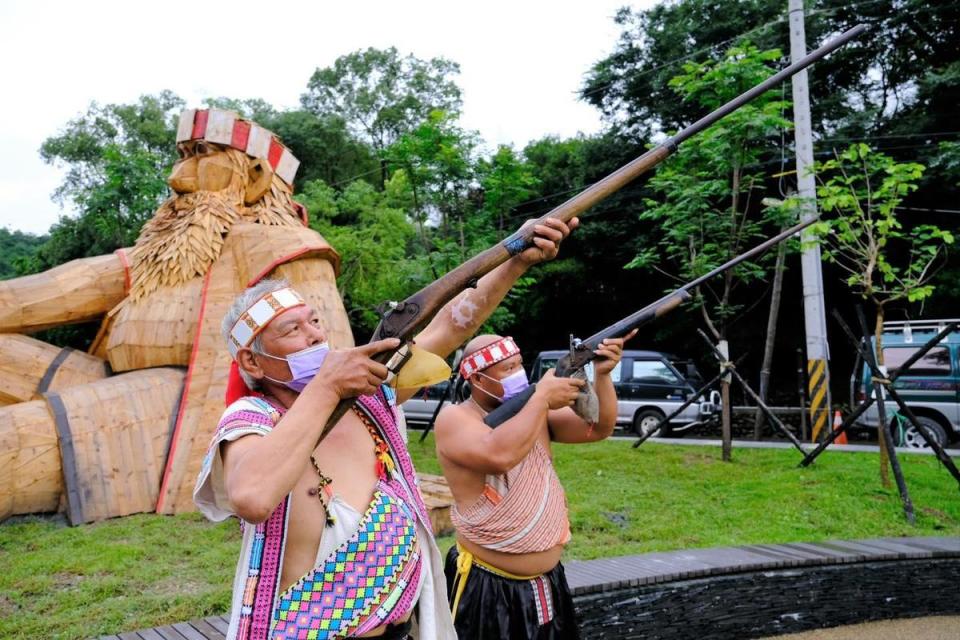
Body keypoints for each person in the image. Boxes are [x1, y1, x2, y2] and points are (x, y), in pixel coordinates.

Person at [193, 217, 577, 640]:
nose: (314, 337)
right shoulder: (252, 419)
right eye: (292, 329)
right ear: (252, 362)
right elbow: (252, 496)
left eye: (314, 322)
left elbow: (453, 325)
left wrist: (515, 260)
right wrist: (327, 386)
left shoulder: (369, 398)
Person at [435, 330, 633, 639]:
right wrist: (540, 398)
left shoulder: (535, 410)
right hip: (486, 588)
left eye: (518, 364)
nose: (518, 374)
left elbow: (597, 428)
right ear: (478, 380)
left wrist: (603, 376)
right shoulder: (454, 420)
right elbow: (499, 454)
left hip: (547, 582)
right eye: (507, 369)